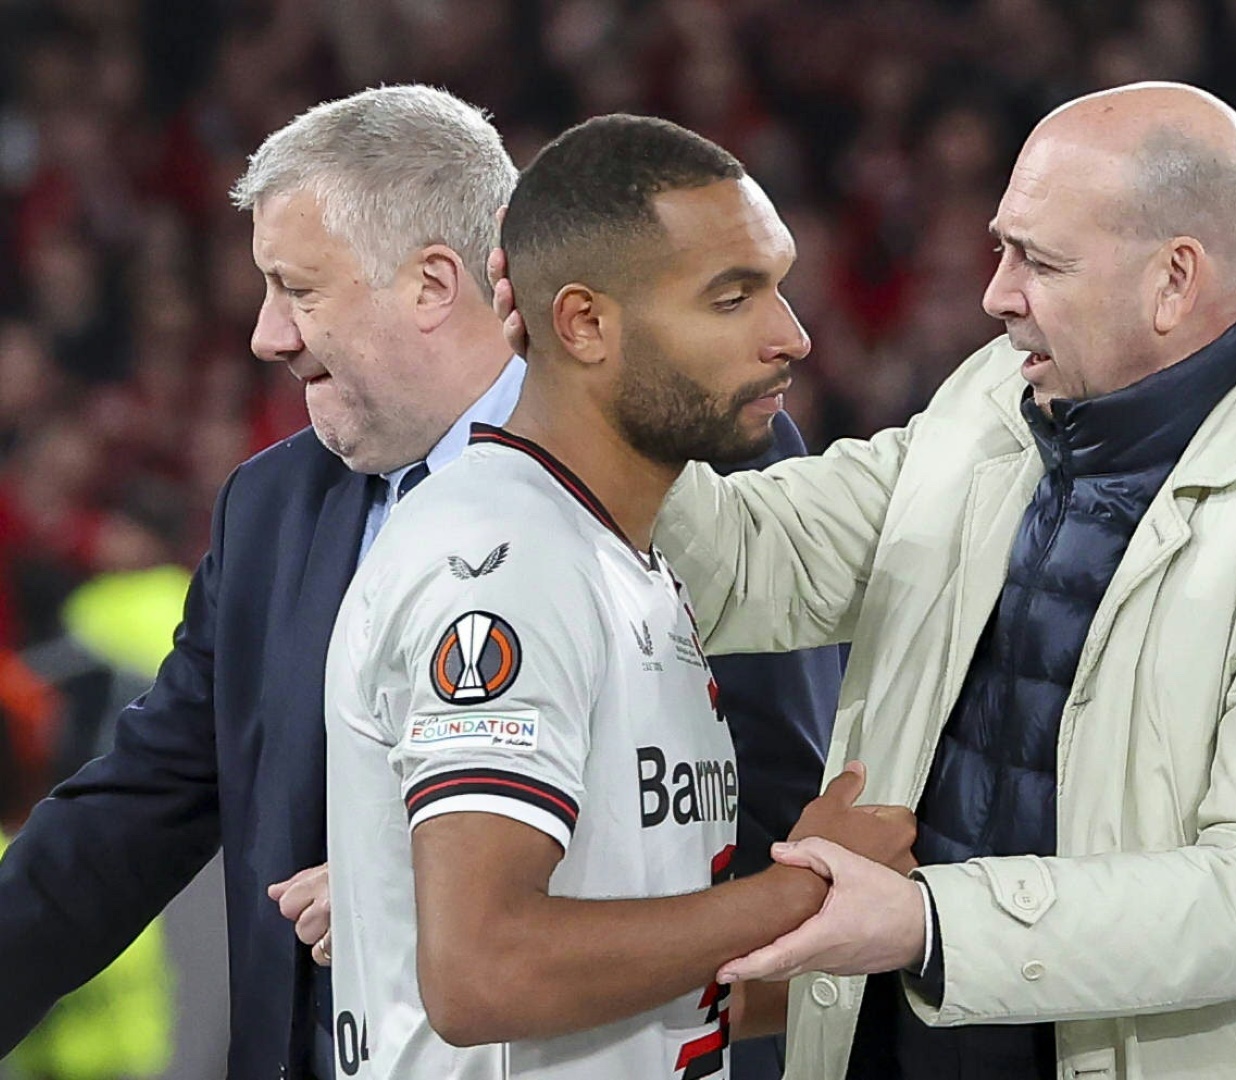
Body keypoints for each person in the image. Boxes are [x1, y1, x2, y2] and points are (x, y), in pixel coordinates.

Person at [623, 82, 1236, 1079]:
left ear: (1174, 282)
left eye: (1040, 260)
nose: (999, 292)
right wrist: (597, 387)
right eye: (1002, 246)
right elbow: (754, 561)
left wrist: (929, 923)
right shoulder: (1005, 391)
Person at [0, 87, 839, 1080]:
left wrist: (430, 901)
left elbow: (775, 821)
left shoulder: (694, 458)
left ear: (435, 284)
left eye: (297, 289)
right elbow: (131, 815)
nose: (269, 335)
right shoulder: (272, 510)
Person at [322, 113, 913, 1079]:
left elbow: (666, 985)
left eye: (780, 287)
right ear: (585, 323)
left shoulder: (620, 555)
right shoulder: (503, 564)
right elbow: (483, 975)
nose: (790, 337)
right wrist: (804, 887)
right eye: (732, 299)